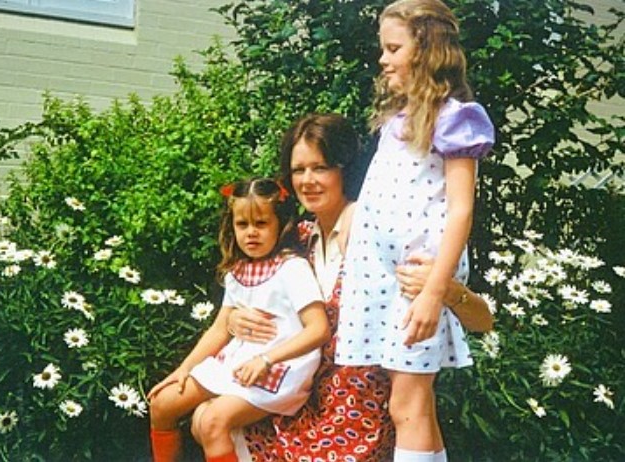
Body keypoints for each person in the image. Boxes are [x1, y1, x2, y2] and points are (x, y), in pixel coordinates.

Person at [223, 113, 492, 461]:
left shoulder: (378, 235)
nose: (308, 180)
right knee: (215, 420)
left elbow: (482, 321)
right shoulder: (296, 240)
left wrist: (445, 290)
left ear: (344, 170)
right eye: (298, 170)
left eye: (320, 168)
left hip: (358, 413)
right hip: (297, 399)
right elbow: (245, 296)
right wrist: (234, 321)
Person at [335, 0, 495, 461]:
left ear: (425, 51)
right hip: (383, 277)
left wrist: (434, 291)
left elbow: (461, 210)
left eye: (393, 48)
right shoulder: (399, 119)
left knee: (409, 403)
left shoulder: (455, 118)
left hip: (419, 278)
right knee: (407, 403)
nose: (383, 59)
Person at [147, 177, 330, 462]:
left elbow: (319, 329)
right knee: (161, 404)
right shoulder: (237, 272)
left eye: (261, 224)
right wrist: (184, 369)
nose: (251, 233)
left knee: (212, 422)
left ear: (281, 224)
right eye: (242, 224)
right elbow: (220, 329)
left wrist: (266, 359)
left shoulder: (292, 268)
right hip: (241, 361)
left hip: (281, 366)